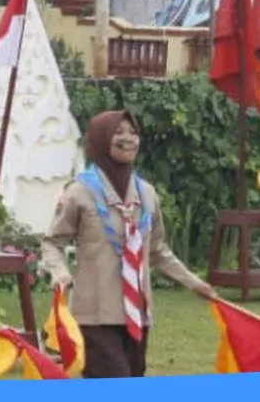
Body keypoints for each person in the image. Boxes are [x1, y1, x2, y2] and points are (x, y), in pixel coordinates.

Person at [39, 109, 216, 378]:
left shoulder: (146, 194)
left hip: (137, 315)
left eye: (133, 133)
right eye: (118, 132)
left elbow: (157, 250)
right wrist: (60, 273)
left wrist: (194, 283)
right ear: (100, 140)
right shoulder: (79, 192)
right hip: (95, 314)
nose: (128, 139)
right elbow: (52, 243)